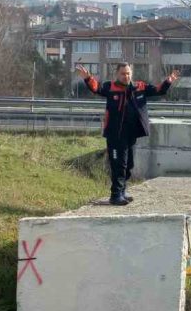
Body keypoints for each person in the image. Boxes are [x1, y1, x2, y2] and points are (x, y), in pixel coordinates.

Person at [76, 62, 179, 205]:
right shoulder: (109, 87)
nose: (126, 76)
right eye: (123, 73)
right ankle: (115, 195)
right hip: (115, 134)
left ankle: (122, 191)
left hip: (131, 133)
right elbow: (96, 88)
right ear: (117, 74)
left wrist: (168, 81)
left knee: (128, 164)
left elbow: (158, 90)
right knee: (119, 164)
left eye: (128, 73)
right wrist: (88, 78)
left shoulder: (139, 87)